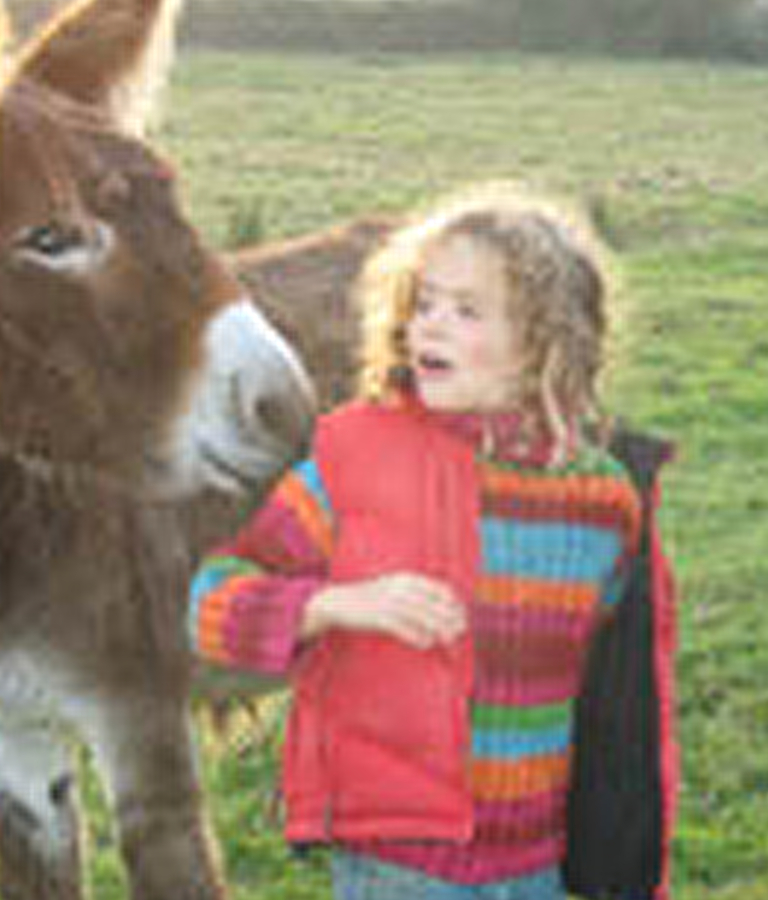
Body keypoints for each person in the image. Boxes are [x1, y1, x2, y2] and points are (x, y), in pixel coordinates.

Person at [187, 185, 678, 900]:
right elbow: (199, 597)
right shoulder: (351, 459)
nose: (431, 329)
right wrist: (332, 605)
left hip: (539, 869)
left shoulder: (603, 501)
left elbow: (620, 697)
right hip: (396, 869)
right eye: (423, 304)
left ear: (546, 339)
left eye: (467, 311)